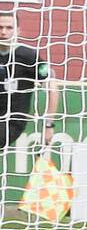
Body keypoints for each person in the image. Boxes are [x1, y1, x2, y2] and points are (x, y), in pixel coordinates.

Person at [1, 11, 58, 150]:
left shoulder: (29, 55)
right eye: (0, 27)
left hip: (11, 122)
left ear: (18, 31)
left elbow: (52, 86)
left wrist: (48, 124)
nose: (3, 32)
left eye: (9, 28)